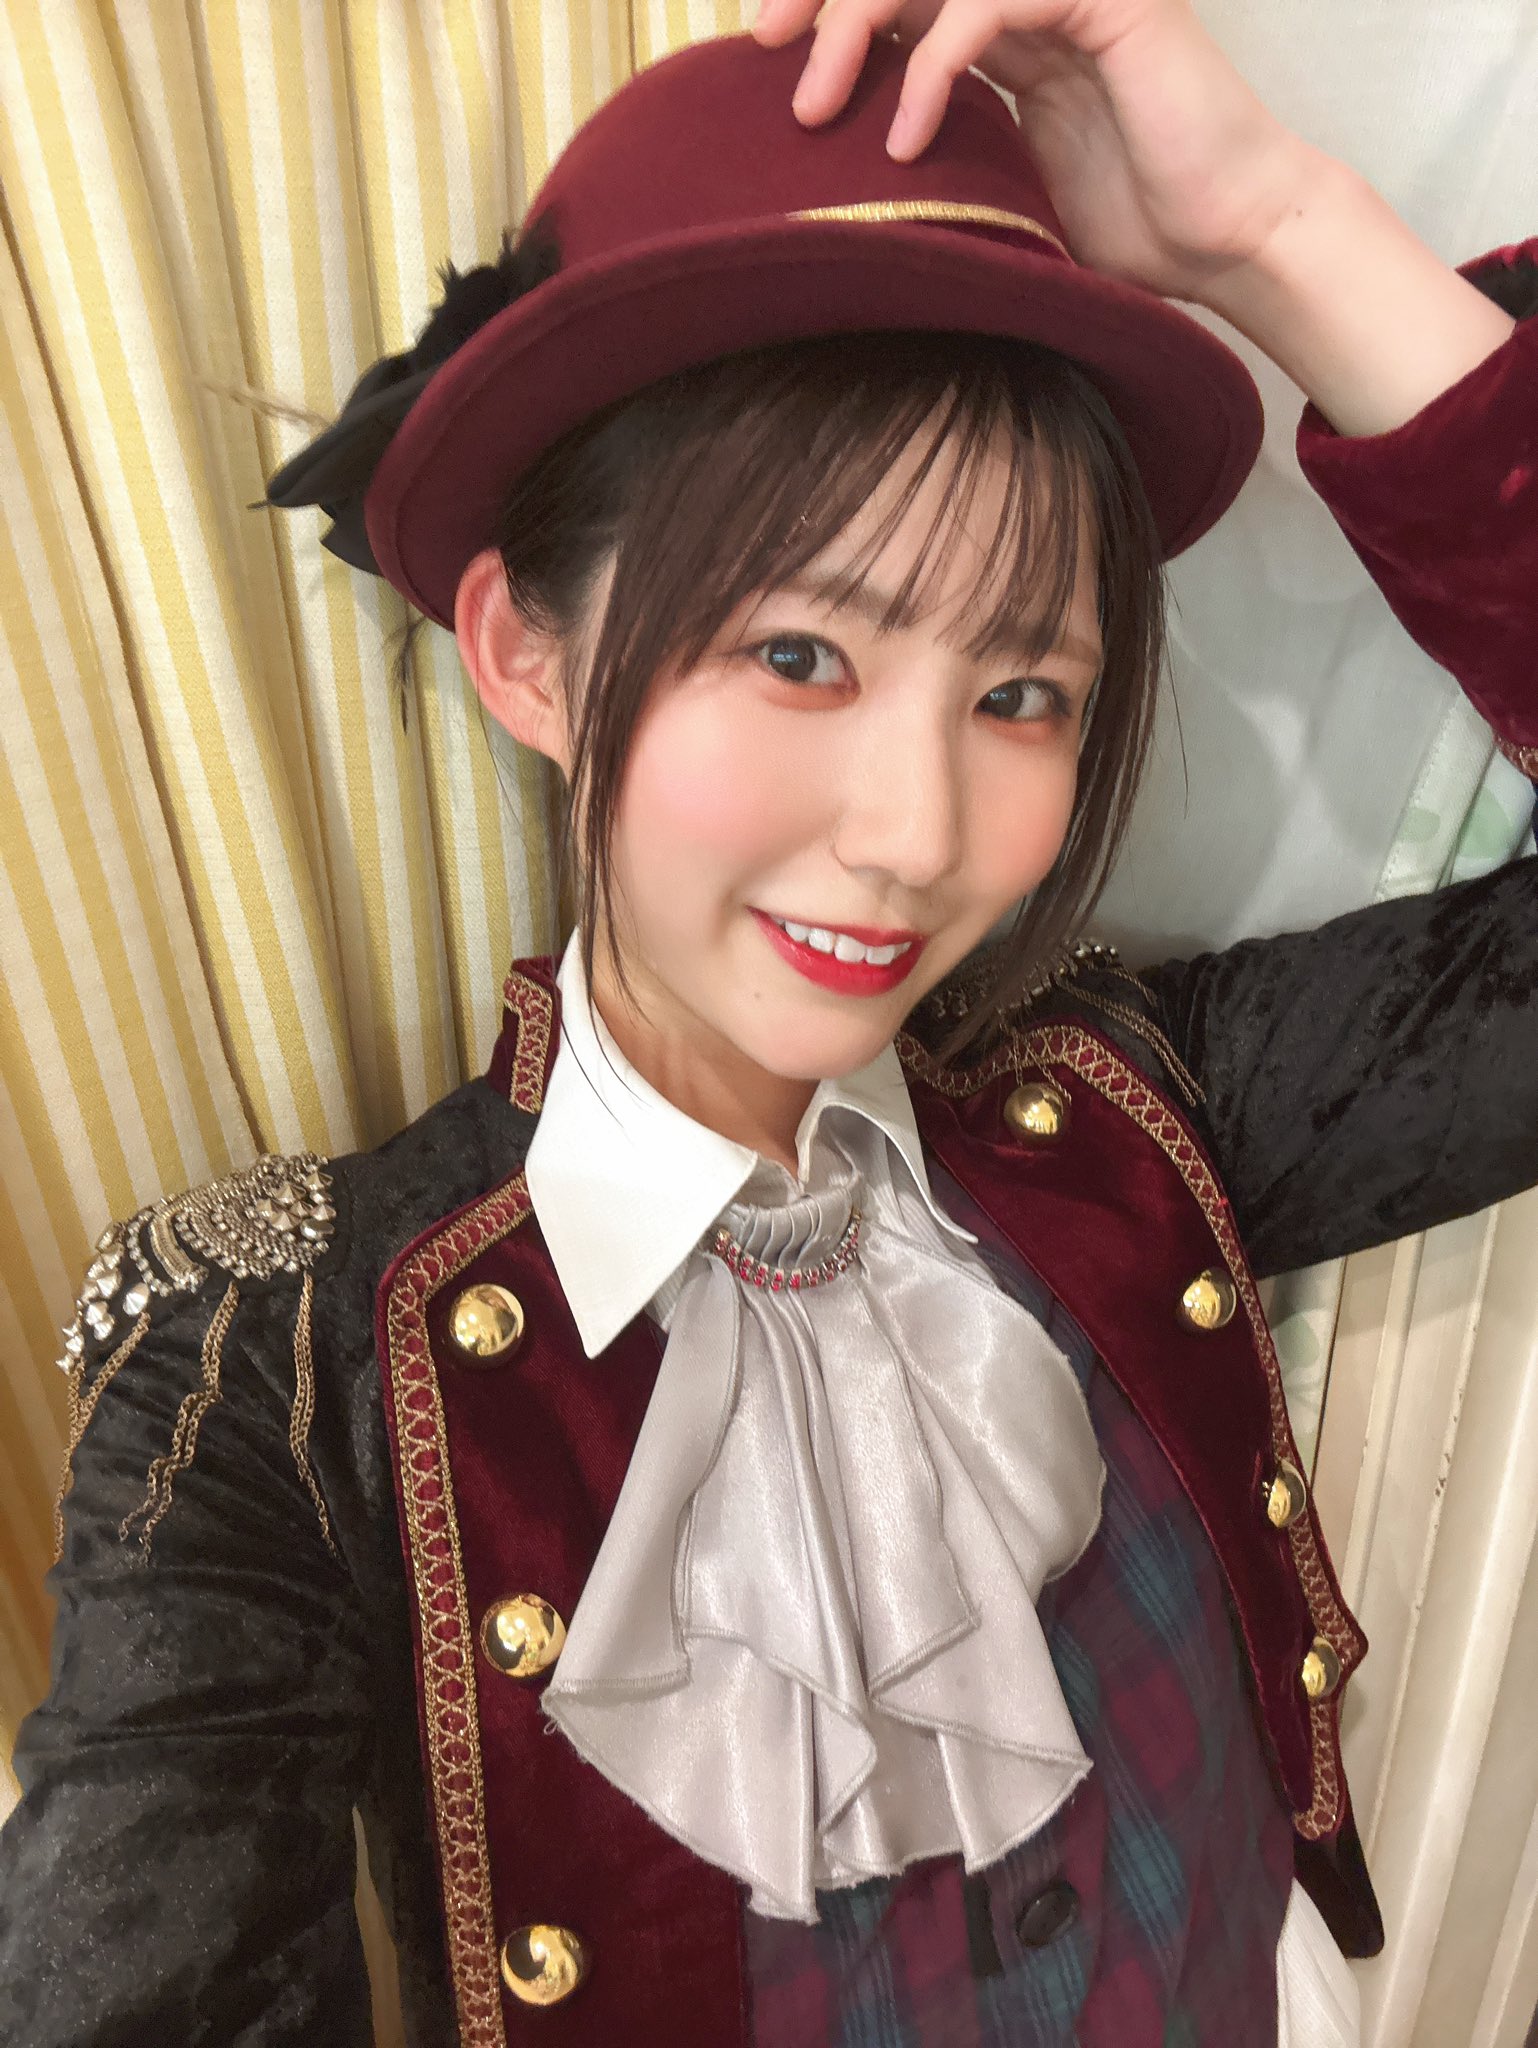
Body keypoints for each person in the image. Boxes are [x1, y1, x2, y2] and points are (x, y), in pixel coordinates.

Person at [1, 5, 1534, 2044]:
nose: (916, 836)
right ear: (528, 654)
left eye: (1021, 695)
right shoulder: (274, 1385)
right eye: (800, 653)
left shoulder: (1140, 1110)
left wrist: (1276, 229)